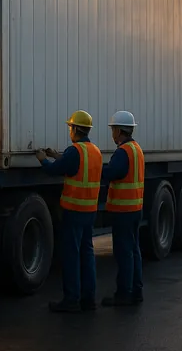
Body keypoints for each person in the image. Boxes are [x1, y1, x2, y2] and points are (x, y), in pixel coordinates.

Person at [36, 110, 102, 313]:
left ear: (75, 129)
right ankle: (88, 299)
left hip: (73, 211)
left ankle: (71, 299)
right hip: (89, 210)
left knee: (71, 255)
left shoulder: (75, 151)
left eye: (70, 128)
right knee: (87, 254)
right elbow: (73, 165)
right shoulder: (94, 151)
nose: (69, 131)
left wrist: (43, 159)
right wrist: (57, 155)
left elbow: (56, 169)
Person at [101, 111, 144, 307]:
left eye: (113, 129)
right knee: (134, 251)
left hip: (123, 211)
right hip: (135, 208)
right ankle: (136, 291)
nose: (112, 133)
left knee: (123, 252)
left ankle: (124, 294)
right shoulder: (136, 149)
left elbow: (112, 173)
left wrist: (94, 168)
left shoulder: (122, 152)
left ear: (119, 131)